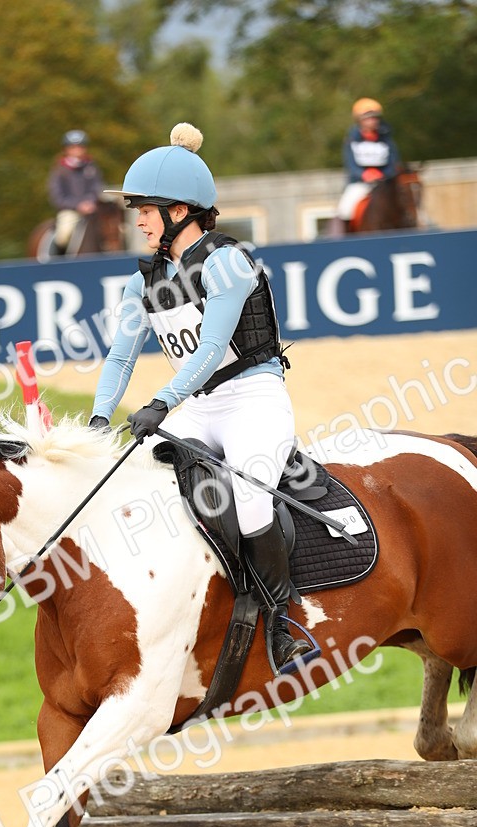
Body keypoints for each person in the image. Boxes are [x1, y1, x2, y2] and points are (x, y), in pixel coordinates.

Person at [89, 122, 312, 673]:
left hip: (253, 398)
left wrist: (161, 402)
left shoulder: (227, 262)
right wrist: (97, 419)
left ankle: (282, 623)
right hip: (200, 407)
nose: (138, 221)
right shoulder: (143, 282)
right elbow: (120, 358)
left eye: (146, 210)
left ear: (180, 210)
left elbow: (211, 349)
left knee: (251, 497)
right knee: (136, 482)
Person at [332, 98, 401, 232]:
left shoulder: (386, 139)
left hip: (385, 182)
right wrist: (364, 174)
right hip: (360, 183)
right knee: (345, 209)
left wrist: (384, 174)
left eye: (375, 118)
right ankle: (345, 237)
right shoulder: (351, 139)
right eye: (368, 118)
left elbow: (394, 161)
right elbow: (350, 164)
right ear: (359, 120)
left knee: (407, 202)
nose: (372, 121)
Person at [47, 130, 105, 255]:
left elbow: (97, 187)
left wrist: (91, 201)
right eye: (73, 147)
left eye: (80, 146)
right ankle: (60, 258)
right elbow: (57, 196)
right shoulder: (59, 170)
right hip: (70, 210)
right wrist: (78, 205)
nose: (77, 150)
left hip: (92, 209)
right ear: (66, 149)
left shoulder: (92, 167)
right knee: (64, 234)